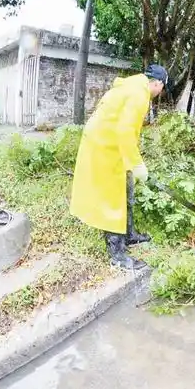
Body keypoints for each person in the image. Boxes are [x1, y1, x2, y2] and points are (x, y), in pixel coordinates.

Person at [70, 64, 168, 270]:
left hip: (109, 144)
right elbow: (124, 131)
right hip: (105, 147)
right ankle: (117, 255)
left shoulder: (130, 87)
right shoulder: (140, 94)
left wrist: (132, 162)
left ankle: (129, 234)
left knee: (126, 190)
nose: (161, 93)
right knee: (113, 198)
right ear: (157, 83)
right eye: (162, 87)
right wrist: (137, 164)